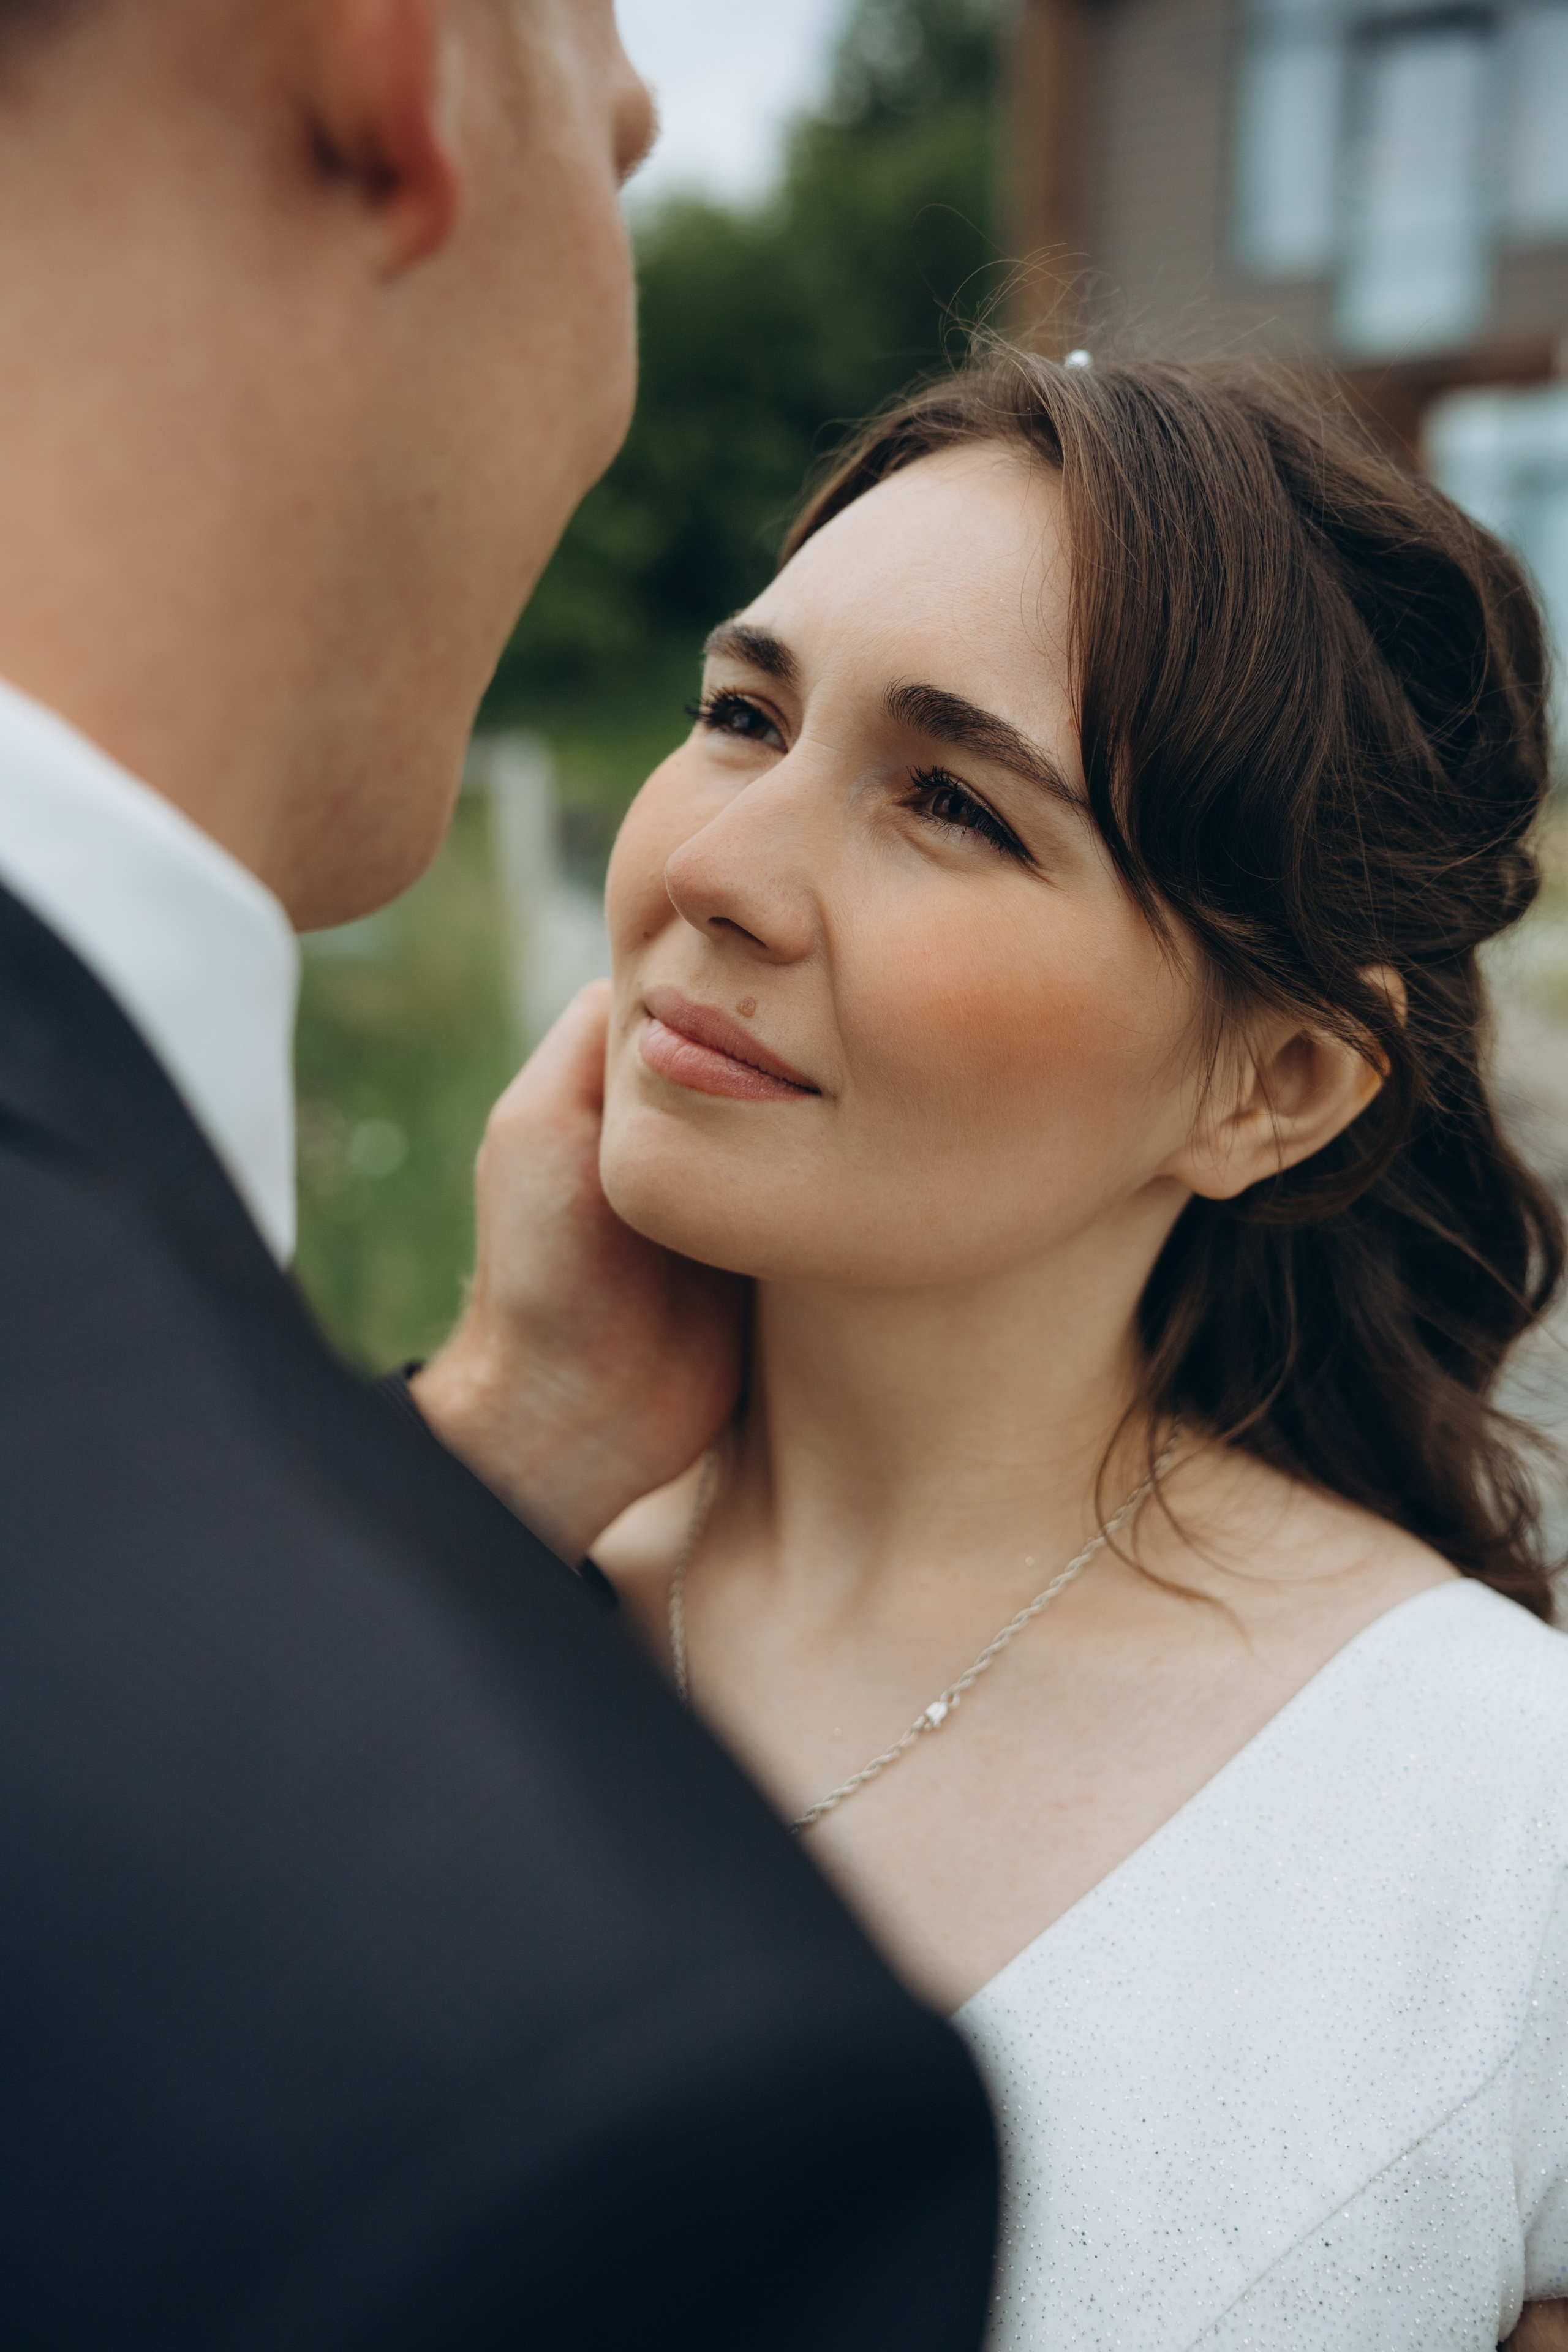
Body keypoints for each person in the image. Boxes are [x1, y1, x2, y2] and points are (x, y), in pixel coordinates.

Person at [0, 2, 999, 2345]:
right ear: (394, 60)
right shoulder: (588, 2081)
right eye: (599, 55)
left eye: (959, 798)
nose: (726, 866)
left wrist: (478, 1456)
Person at [586, 346, 1568, 2351]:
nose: (713, 866)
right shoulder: (393, 1576)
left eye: (949, 801)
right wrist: (488, 1447)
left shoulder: (1496, 1842)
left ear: (1276, 1084)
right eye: (741, 714)